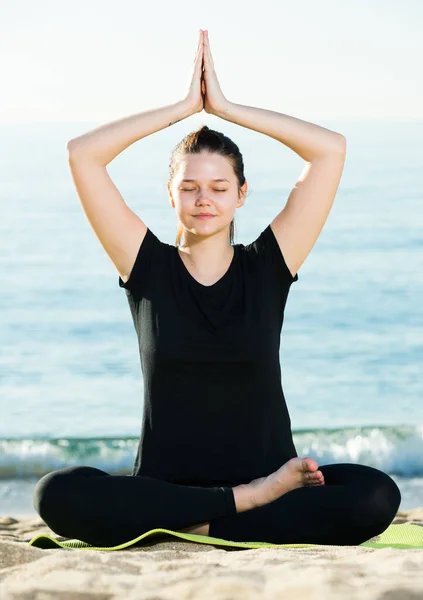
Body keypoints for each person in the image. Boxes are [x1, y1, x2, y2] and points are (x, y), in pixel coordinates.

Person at [33, 29, 401, 548]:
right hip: (173, 489)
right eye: (188, 186)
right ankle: (234, 508)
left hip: (271, 483)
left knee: (375, 494)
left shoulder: (268, 266)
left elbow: (330, 151)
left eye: (219, 187)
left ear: (241, 194)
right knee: (55, 494)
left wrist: (225, 108)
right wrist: (185, 108)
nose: (203, 198)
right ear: (170, 194)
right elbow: (82, 155)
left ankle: (198, 525)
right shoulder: (148, 268)